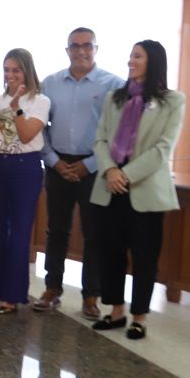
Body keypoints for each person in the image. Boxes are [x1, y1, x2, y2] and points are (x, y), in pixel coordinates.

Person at [90, 40, 185, 340]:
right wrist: (110, 170)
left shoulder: (173, 101)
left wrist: (125, 175)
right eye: (130, 56)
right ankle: (115, 311)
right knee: (111, 252)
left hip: (144, 191)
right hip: (109, 186)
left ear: (153, 61)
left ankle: (139, 317)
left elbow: (162, 149)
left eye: (138, 56)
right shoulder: (114, 98)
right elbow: (100, 140)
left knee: (145, 256)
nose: (131, 61)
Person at [35, 28, 125, 318]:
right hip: (58, 164)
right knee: (56, 231)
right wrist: (53, 161)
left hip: (95, 166)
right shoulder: (49, 83)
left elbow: (120, 135)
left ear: (96, 49)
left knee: (94, 234)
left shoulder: (114, 85)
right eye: (75, 46)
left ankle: (91, 296)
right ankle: (52, 289)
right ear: (67, 50)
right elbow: (40, 129)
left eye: (87, 46)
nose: (81, 51)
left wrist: (90, 165)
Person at [0, 49, 49, 314]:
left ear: (27, 71)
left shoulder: (40, 101)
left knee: (18, 233)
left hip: (25, 168)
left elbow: (28, 134)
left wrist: (17, 108)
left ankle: (12, 294)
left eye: (16, 70)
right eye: (7, 69)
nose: (10, 75)